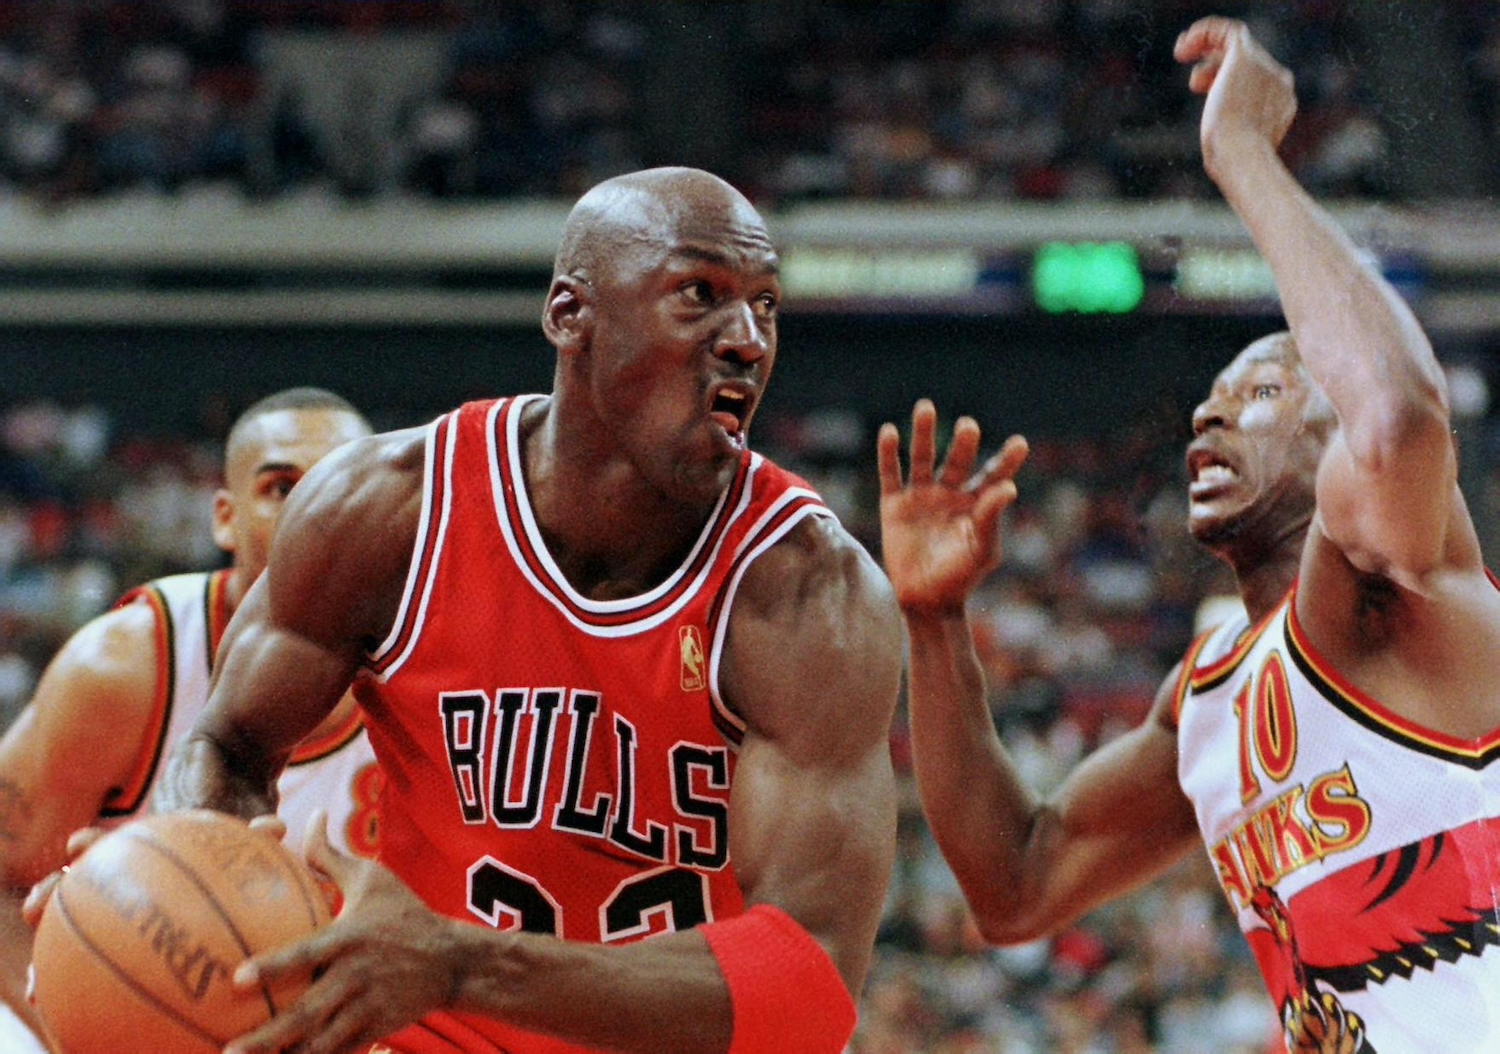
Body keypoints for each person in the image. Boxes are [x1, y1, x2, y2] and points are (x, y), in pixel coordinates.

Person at [151, 167, 902, 1054]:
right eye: (700, 295)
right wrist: (175, 883)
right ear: (569, 315)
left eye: (766, 306)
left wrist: (465, 966)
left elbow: (811, 985)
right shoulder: (390, 509)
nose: (746, 338)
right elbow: (227, 747)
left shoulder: (808, 591)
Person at [878, 17, 1500, 1054]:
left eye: (1256, 391)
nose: (1208, 418)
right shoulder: (1207, 698)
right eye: (1206, 401)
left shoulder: (1410, 604)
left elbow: (1397, 416)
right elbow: (1016, 886)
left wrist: (1242, 154)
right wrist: (934, 623)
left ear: (1332, 433)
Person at [1, 387, 377, 1051]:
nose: (315, 510)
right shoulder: (125, 666)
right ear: (225, 519)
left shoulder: (437, 680)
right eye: (282, 486)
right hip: (91, 1005)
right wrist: (76, 1028)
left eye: (340, 485)